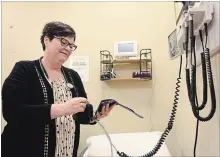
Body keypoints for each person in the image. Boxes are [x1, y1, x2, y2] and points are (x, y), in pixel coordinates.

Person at [1, 21, 115, 157]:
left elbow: (81, 114)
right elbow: (11, 111)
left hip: (65, 152)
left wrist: (96, 116)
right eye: (63, 42)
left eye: (72, 45)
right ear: (46, 40)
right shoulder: (24, 69)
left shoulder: (73, 76)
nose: (68, 48)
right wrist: (63, 109)